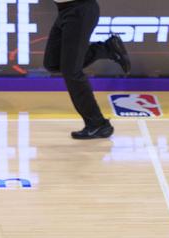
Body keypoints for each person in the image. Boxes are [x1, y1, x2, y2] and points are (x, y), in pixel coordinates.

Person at [44, 0, 131, 139]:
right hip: (64, 10)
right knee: (53, 63)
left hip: (80, 9)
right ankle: (106, 49)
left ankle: (98, 124)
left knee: (72, 72)